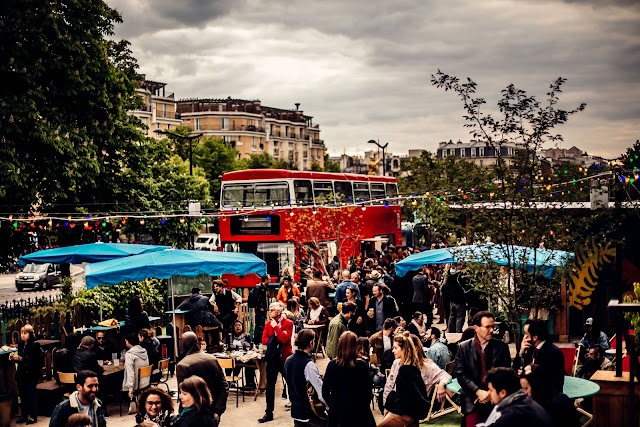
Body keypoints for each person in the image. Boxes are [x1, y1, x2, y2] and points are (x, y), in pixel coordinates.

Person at [454, 311, 511, 427]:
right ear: (476, 328)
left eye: (493, 326)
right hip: (472, 400)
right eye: (487, 327)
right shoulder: (463, 347)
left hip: (495, 400)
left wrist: (490, 393)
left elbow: (506, 373)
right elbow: (460, 375)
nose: (491, 330)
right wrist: (478, 392)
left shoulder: (502, 347)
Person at [322, 331, 376, 427]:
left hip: (338, 412)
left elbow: (325, 391)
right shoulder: (361, 365)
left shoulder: (333, 365)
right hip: (358, 411)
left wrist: (333, 405)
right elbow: (368, 391)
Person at [379, 332, 431, 427]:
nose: (393, 351)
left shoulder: (405, 370)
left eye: (395, 348)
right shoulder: (413, 368)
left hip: (404, 414)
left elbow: (402, 395)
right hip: (410, 413)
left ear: (403, 349)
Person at [176, 332, 228, 424]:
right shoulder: (212, 359)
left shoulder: (183, 365)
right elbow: (224, 386)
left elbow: (184, 394)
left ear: (182, 345)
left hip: (193, 415)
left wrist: (182, 416)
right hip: (212, 409)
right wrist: (218, 409)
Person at [479, 367, 553, 427]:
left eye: (490, 390)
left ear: (502, 393)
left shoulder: (513, 414)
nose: (488, 393)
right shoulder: (524, 402)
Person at [259, 302, 294, 423]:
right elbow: (264, 339)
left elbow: (285, 339)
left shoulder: (288, 323)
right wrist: (276, 337)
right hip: (273, 359)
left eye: (272, 310)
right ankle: (269, 413)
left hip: (285, 358)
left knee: (291, 383)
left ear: (278, 312)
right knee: (270, 387)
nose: (269, 312)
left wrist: (276, 329)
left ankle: (297, 408)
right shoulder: (268, 324)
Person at [284, 329, 327, 427]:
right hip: (309, 413)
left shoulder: (288, 360)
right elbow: (321, 392)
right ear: (311, 343)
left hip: (296, 411)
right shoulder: (308, 364)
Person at [513, 319, 565, 394]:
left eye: (526, 334)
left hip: (546, 397)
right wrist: (520, 354)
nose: (524, 338)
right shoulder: (529, 349)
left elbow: (548, 381)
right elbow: (515, 369)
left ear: (534, 337)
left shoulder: (553, 353)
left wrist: (526, 375)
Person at [12, 324, 41, 424]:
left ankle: (33, 416)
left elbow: (32, 360)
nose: (23, 335)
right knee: (23, 394)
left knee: (31, 395)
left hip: (30, 373)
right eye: (21, 333)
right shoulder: (21, 344)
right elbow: (20, 359)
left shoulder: (34, 345)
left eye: (25, 333)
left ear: (30, 334)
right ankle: (24, 415)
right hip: (21, 373)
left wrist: (20, 359)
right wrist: (14, 357)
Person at [122, 333, 150, 402]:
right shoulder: (144, 351)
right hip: (146, 381)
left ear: (128, 342)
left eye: (126, 341)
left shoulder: (129, 354)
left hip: (137, 385)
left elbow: (130, 373)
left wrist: (130, 389)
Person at [248, 275, 270, 345]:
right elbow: (255, 298)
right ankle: (257, 341)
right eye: (269, 279)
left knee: (261, 325)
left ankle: (259, 339)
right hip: (260, 310)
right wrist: (259, 306)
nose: (270, 281)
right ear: (265, 280)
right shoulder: (259, 288)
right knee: (259, 325)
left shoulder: (265, 288)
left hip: (264, 309)